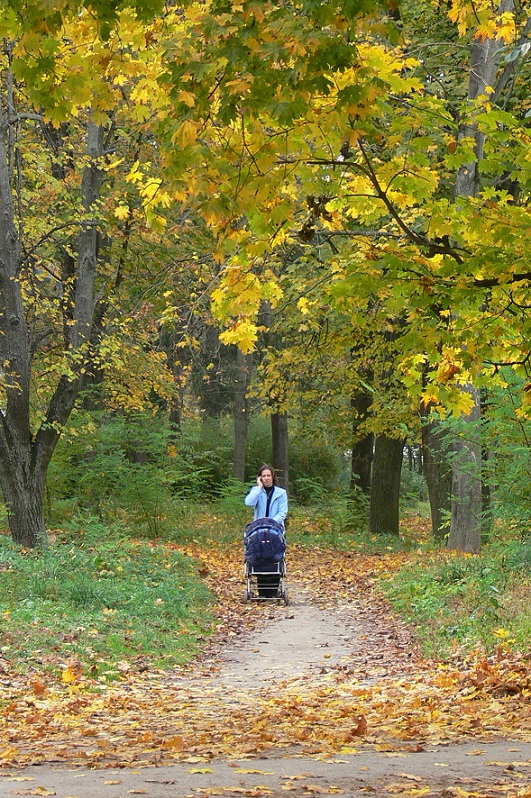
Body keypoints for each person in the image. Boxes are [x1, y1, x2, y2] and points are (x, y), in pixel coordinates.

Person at [244, 465, 288, 598]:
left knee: (273, 556)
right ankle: (262, 592)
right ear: (260, 478)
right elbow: (248, 503)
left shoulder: (281, 493)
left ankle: (273, 592)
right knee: (260, 556)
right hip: (258, 530)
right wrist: (258, 488)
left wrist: (271, 522)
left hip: (275, 530)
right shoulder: (257, 491)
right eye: (264, 476)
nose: (266, 478)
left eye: (268, 475)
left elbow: (282, 512)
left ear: (273, 477)